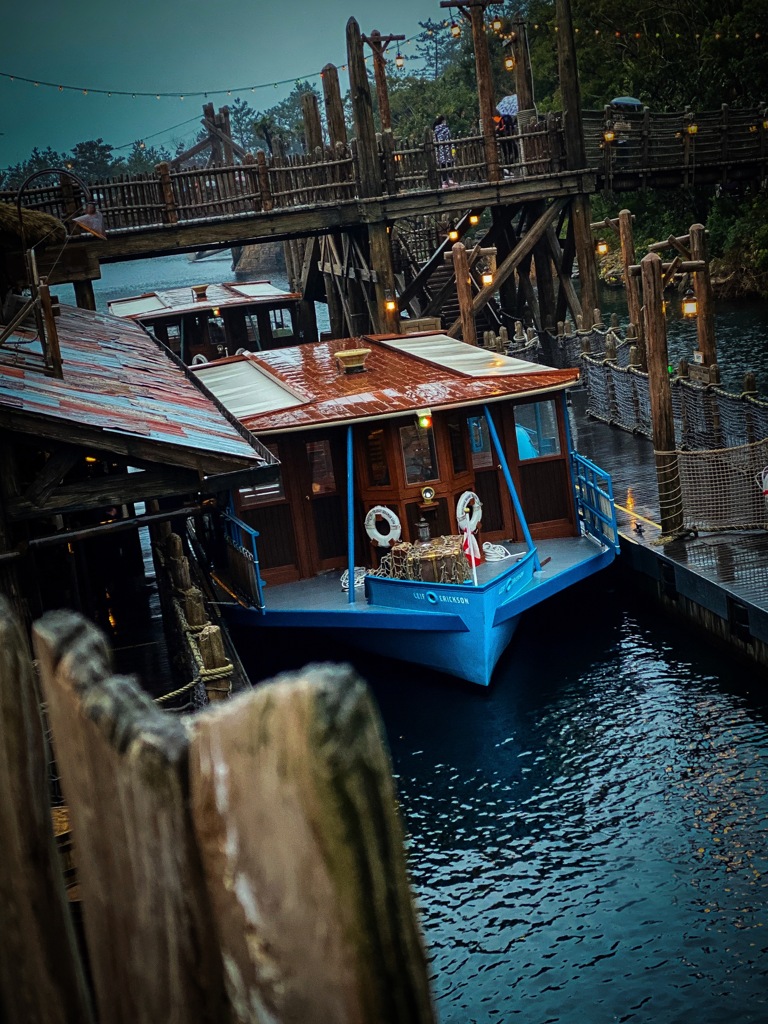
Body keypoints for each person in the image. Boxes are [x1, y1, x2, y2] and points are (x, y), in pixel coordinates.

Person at [433, 115, 456, 187]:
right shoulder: (446, 129)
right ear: (443, 121)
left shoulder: (435, 131)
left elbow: (434, 141)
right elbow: (450, 139)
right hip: (447, 148)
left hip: (440, 150)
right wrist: (453, 150)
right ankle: (450, 179)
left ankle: (444, 181)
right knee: (449, 163)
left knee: (442, 165)